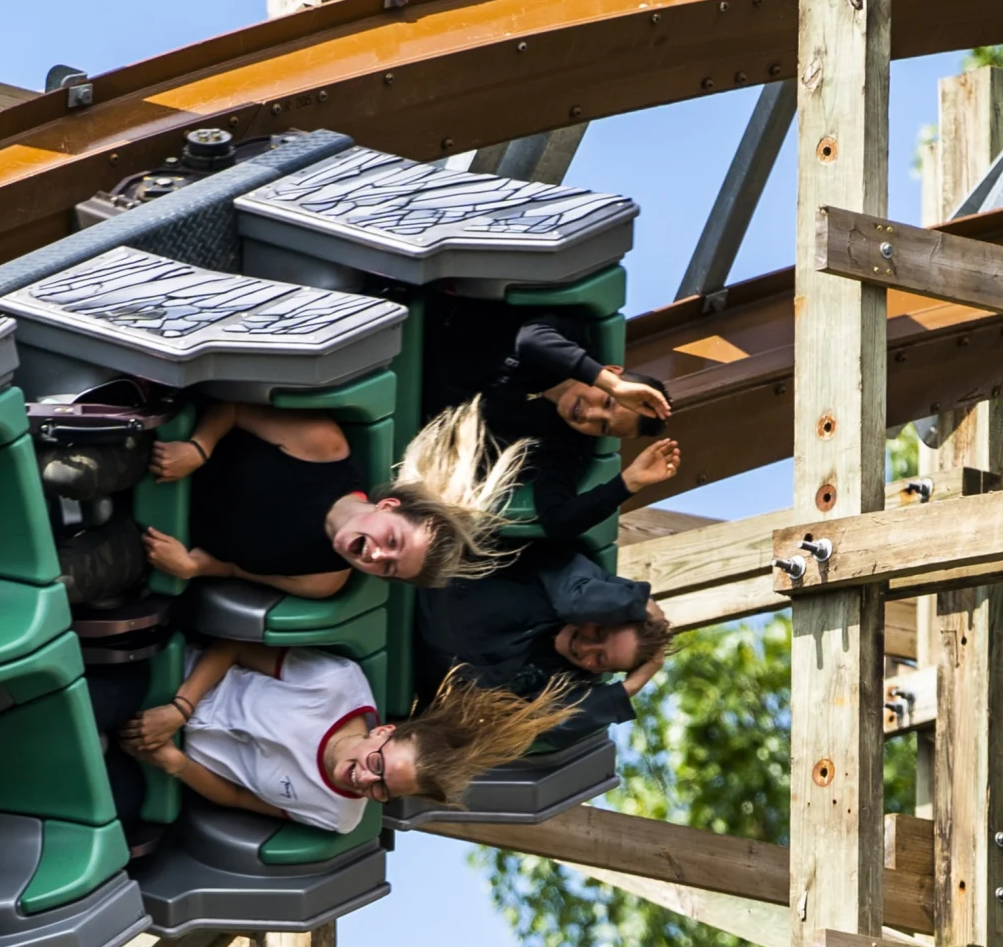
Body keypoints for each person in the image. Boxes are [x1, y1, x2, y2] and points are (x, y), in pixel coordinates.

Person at [117, 644, 574, 833]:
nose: (363, 780)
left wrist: (174, 762)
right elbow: (231, 648)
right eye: (377, 766)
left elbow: (238, 797)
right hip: (173, 680)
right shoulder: (337, 684)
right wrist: (179, 709)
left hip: (160, 763)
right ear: (383, 731)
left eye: (380, 790)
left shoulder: (339, 815)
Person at [141, 400, 513, 600]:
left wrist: (190, 567)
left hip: (147, 539)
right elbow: (232, 407)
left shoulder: (322, 581)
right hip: (151, 456)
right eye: (393, 541)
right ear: (389, 506)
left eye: (388, 569)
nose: (378, 556)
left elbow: (233, 569)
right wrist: (199, 448)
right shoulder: (322, 446)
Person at [423, 295, 687, 544]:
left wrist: (629, 482)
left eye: (603, 427)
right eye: (607, 402)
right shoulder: (577, 340)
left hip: (411, 411)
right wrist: (613, 386)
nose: (591, 415)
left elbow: (558, 520)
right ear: (611, 371)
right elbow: (531, 339)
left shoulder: (565, 442)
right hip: (418, 331)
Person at [417, 546, 671, 729]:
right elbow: (573, 602)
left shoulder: (568, 686)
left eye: (600, 658)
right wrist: (638, 602)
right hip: (410, 599)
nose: (586, 647)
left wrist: (630, 687)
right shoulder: (572, 576)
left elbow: (551, 726)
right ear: (610, 611)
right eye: (600, 632)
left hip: (407, 679)